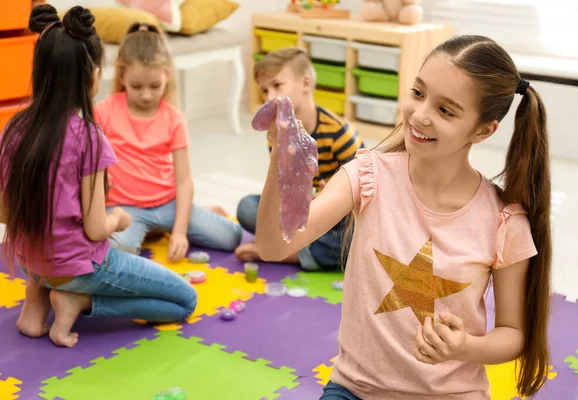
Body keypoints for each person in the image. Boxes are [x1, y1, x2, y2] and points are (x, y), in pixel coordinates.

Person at [255, 35, 552, 399]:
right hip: (356, 389)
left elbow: (513, 334)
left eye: (446, 110)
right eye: (417, 93)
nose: (420, 114)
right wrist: (278, 160)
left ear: (483, 130)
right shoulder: (367, 175)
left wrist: (464, 348)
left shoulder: (503, 220)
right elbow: (272, 247)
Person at [0, 5, 197, 348]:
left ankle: (35, 308)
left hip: (30, 261)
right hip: (75, 268)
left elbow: (4, 213)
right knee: (185, 300)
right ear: (93, 76)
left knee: (51, 253)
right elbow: (94, 229)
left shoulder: (13, 128)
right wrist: (118, 218)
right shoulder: (88, 137)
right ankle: (79, 301)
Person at [94, 23, 242, 261]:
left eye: (155, 86)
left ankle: (189, 217)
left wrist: (180, 233)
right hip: (125, 209)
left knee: (231, 237)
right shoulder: (104, 111)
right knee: (117, 253)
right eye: (136, 86)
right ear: (121, 76)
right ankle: (152, 229)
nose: (146, 95)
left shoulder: (174, 118)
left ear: (168, 75)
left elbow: (184, 180)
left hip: (168, 205)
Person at [235, 47, 365, 271]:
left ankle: (294, 252)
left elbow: (364, 194)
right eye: (265, 91)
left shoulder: (341, 133)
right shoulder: (277, 135)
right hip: (301, 210)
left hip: (336, 214)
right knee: (247, 207)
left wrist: (329, 196)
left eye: (277, 86)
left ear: (305, 84)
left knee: (357, 235)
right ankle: (306, 247)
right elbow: (281, 187)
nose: (269, 97)